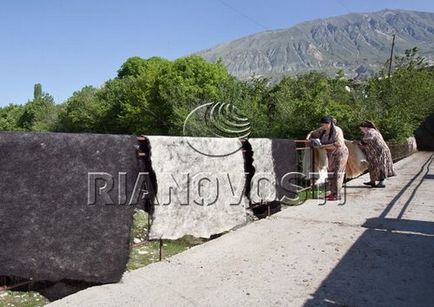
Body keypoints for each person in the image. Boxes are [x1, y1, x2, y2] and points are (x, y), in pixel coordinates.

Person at [307, 116, 349, 200]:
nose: (325, 126)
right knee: (330, 173)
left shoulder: (337, 130)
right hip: (330, 154)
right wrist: (309, 139)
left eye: (327, 124)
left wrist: (323, 146)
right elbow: (312, 133)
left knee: (338, 173)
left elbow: (338, 143)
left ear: (331, 123)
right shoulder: (321, 130)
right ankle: (332, 193)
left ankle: (337, 195)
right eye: (323, 124)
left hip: (340, 153)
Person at [358, 121, 396, 188]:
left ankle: (381, 182)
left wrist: (361, 142)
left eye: (361, 129)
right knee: (373, 166)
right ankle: (372, 181)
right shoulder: (371, 131)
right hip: (376, 152)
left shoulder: (371, 131)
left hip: (380, 152)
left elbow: (369, 140)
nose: (361, 130)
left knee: (380, 166)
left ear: (366, 128)